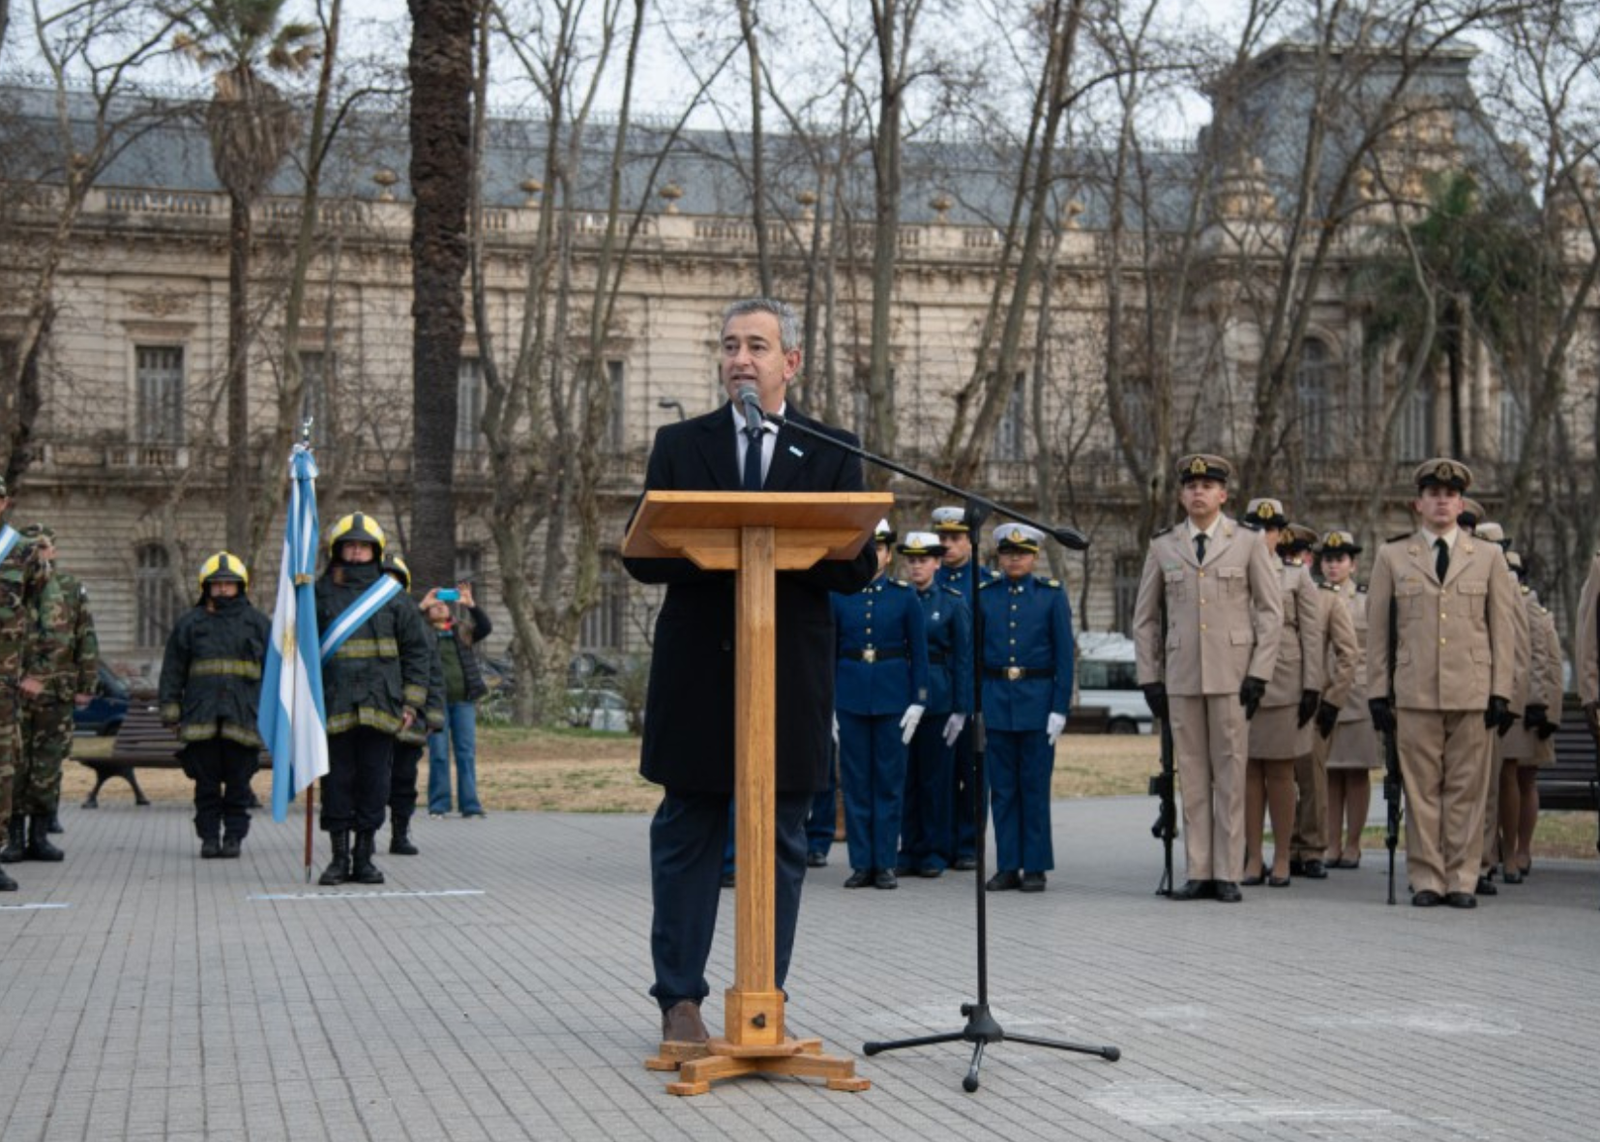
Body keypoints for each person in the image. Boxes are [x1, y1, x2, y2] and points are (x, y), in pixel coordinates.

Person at [621, 297, 877, 1047]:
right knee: (688, 831)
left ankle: (766, 996)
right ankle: (679, 1000)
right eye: (731, 345)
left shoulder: (830, 449)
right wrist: (730, 543)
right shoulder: (681, 443)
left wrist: (786, 548)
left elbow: (856, 569)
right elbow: (642, 554)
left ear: (790, 362)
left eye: (758, 346)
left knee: (786, 838)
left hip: (787, 677)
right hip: (699, 672)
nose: (741, 358)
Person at [1366, 458, 1517, 909]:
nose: (1442, 502)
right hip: (1414, 690)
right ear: (1418, 503)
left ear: (1462, 502)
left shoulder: (1487, 557)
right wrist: (1378, 690)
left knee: (1467, 791)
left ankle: (1462, 878)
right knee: (1422, 788)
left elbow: (1502, 628)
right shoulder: (1393, 555)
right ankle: (1428, 877)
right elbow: (1377, 631)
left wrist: (1501, 691)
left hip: (1472, 689)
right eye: (1433, 494)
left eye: (1450, 495)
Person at [1133, 455, 1282, 904]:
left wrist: (1259, 672)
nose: (1199, 492)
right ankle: (1199, 869)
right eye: (1191, 485)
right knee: (1193, 776)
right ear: (1181, 494)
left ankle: (1228, 872)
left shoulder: (1248, 542)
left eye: (1208, 484)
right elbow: (1144, 619)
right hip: (1182, 677)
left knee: (1231, 775)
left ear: (1223, 494)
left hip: (1233, 676)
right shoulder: (1164, 545)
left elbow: (1271, 613)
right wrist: (1149, 678)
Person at [315, 513, 432, 887]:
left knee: (374, 784)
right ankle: (337, 859)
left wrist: (411, 704)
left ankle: (364, 858)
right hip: (334, 706)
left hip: (383, 708)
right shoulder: (317, 595)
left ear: (375, 551)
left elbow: (417, 653)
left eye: (363, 546)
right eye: (349, 545)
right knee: (337, 784)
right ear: (338, 550)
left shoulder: (394, 598)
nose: (356, 551)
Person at [832, 520, 929, 890]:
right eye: (866, 549)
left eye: (879, 549)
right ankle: (861, 863)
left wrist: (918, 701)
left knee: (889, 783)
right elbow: (829, 653)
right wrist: (829, 706)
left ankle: (885, 862)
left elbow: (918, 653)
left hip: (892, 700)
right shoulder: (840, 595)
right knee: (856, 784)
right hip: (851, 698)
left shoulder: (905, 597)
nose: (873, 556)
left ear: (889, 555)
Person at [156, 553, 271, 859]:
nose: (222, 589)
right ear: (205, 587)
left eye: (228, 584)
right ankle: (208, 837)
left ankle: (233, 837)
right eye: (216, 584)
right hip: (200, 717)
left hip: (244, 717)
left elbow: (276, 672)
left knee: (238, 784)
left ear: (240, 586)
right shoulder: (190, 624)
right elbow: (173, 670)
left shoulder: (258, 624)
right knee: (205, 785)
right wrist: (170, 710)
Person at [979, 523, 1073, 893]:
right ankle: (1007, 864)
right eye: (1007, 552)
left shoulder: (1051, 595)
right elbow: (974, 656)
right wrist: (976, 705)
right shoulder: (985, 595)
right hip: (998, 699)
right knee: (1002, 790)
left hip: (1037, 702)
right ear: (999, 556)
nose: (1014, 558)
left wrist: (1059, 707)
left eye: (1022, 552)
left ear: (1034, 556)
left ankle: (1034, 865)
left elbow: (1065, 656)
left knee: (1033, 787)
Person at [1240, 502, 1324, 888]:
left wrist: (1312, 686)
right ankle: (1253, 856)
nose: (1262, 534)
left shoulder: (1295, 576)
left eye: (1270, 528)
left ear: (1280, 534)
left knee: (1280, 772)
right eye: (1254, 526)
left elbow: (1312, 635)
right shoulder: (1234, 568)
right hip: (1242, 682)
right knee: (1248, 772)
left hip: (1286, 682)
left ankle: (1283, 856)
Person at [13, 527, 98, 855]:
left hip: (56, 691)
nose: (38, 553)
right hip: (15, 689)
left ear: (54, 551)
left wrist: (86, 685)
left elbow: (85, 637)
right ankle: (14, 837)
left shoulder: (70, 588)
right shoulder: (11, 585)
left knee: (48, 764)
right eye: (32, 547)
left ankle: (40, 834)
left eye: (44, 547)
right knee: (16, 764)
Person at [894, 530, 972, 878]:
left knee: (935, 782)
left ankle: (935, 851)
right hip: (903, 695)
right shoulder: (899, 598)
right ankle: (909, 848)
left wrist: (961, 707)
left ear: (938, 563)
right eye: (911, 560)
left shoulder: (953, 602)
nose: (916, 566)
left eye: (923, 560)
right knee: (906, 779)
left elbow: (964, 658)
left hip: (940, 700)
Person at [1285, 522, 1356, 879]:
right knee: (1281, 779)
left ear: (1308, 558)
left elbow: (1348, 654)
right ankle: (1286, 846)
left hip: (1314, 704)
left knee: (1312, 781)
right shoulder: (1269, 591)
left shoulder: (1327, 598)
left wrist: (1332, 701)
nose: (1290, 561)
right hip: (1278, 701)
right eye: (1284, 555)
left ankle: (1312, 848)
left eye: (1297, 555)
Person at [932, 505, 999, 871]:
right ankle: (939, 843)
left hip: (976, 690)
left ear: (971, 543)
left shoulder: (985, 584)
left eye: (955, 538)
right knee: (939, 773)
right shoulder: (930, 581)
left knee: (973, 772)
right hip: (941, 691)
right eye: (942, 538)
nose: (947, 545)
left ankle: (970, 844)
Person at [1467, 523, 1530, 896]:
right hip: (1465, 692)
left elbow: (1517, 649)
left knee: (1489, 787)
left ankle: (1485, 859)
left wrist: (1508, 700)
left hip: (1493, 698)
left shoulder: (1505, 580)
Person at [0, 527, 67, 867]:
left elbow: (54, 615)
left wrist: (39, 671)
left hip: (7, 686)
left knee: (7, 769)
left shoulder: (22, 553)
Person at [1317, 531, 1381, 869]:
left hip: (1357, 694)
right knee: (1328, 773)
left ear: (1353, 564)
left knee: (1356, 773)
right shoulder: (1313, 596)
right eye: (1327, 559)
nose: (1333, 565)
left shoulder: (1366, 600)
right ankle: (1331, 843)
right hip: (1324, 694)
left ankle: (1353, 843)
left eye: (1340, 559)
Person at [382, 556, 443, 855]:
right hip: (375, 717)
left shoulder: (421, 629)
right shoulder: (367, 623)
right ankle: (364, 833)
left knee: (404, 781)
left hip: (411, 720)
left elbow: (433, 675)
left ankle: (399, 833)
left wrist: (432, 716)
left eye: (395, 581)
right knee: (370, 780)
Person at [423, 580, 492, 819]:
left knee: (466, 753)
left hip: (463, 701)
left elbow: (485, 627)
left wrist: (471, 605)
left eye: (444, 604)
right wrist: (422, 606)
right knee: (439, 753)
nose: (440, 607)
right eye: (435, 605)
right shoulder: (423, 633)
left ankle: (470, 805)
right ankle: (439, 805)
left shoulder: (461, 630)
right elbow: (405, 627)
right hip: (436, 704)